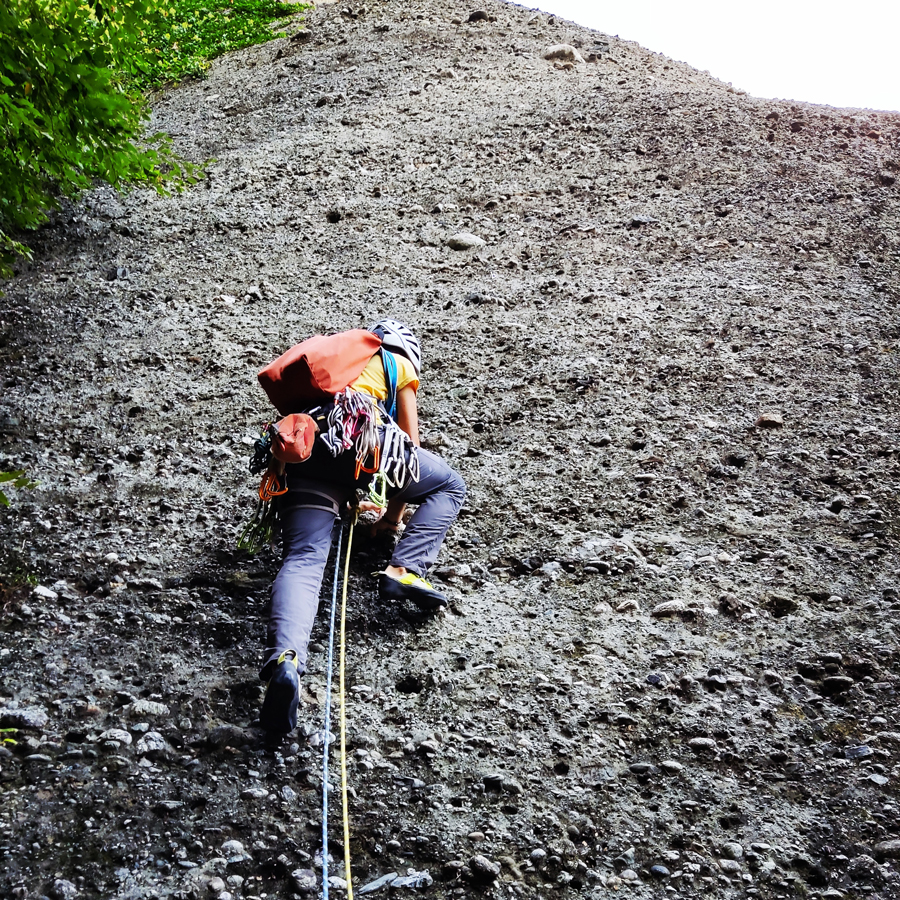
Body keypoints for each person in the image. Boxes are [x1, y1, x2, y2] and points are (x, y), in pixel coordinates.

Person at [259, 319, 466, 733]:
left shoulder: (334, 370)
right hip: (359, 444)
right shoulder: (398, 363)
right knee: (450, 485)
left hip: (305, 448)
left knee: (303, 558)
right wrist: (391, 519)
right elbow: (408, 449)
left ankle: (286, 661)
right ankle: (405, 569)